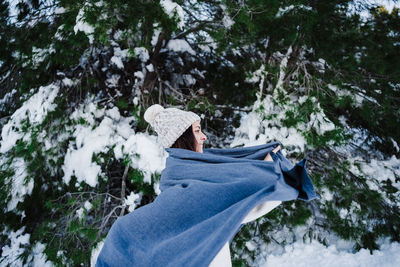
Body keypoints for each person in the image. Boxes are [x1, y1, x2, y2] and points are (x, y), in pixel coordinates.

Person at [95, 104, 318, 267]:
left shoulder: (206, 168)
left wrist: (267, 170)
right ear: (183, 136)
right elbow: (233, 206)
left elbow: (236, 209)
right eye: (197, 130)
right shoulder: (180, 178)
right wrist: (267, 175)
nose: (204, 136)